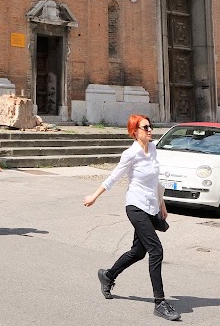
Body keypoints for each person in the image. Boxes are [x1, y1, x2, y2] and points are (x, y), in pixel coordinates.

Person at [83, 114, 180, 321]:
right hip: (135, 207)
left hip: (151, 206)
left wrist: (161, 204)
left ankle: (108, 275)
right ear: (135, 131)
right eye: (146, 127)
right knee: (156, 250)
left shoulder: (153, 149)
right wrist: (94, 196)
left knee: (138, 252)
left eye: (150, 126)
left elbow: (156, 180)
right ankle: (160, 302)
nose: (150, 130)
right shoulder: (131, 154)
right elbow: (114, 177)